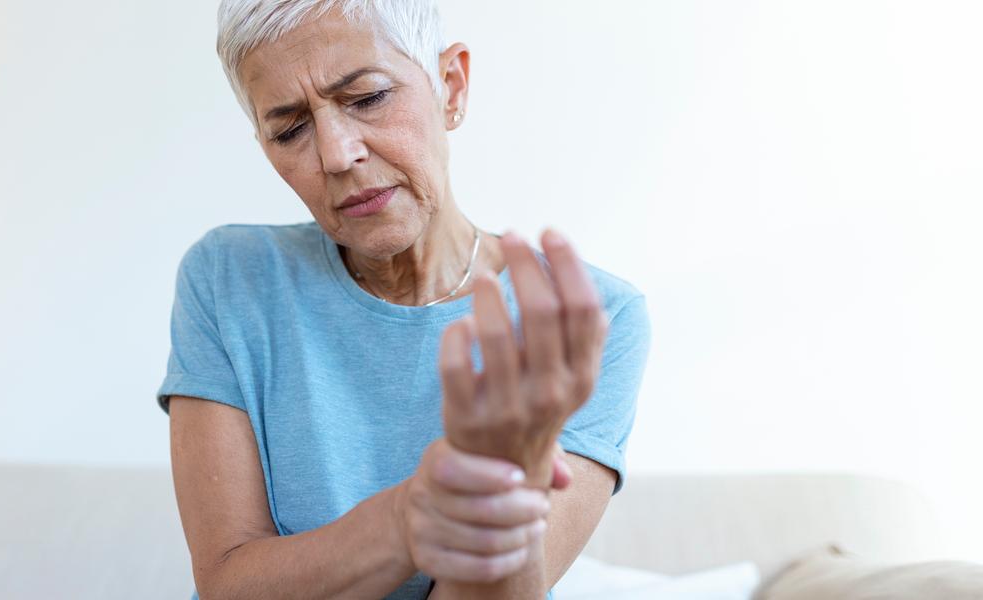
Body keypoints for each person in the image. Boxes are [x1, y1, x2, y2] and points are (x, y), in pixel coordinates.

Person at [156, 1, 652, 598]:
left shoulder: (591, 319)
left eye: (367, 98)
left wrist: (506, 496)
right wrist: (408, 518)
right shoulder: (228, 279)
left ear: (451, 86)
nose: (337, 154)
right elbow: (228, 584)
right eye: (290, 129)